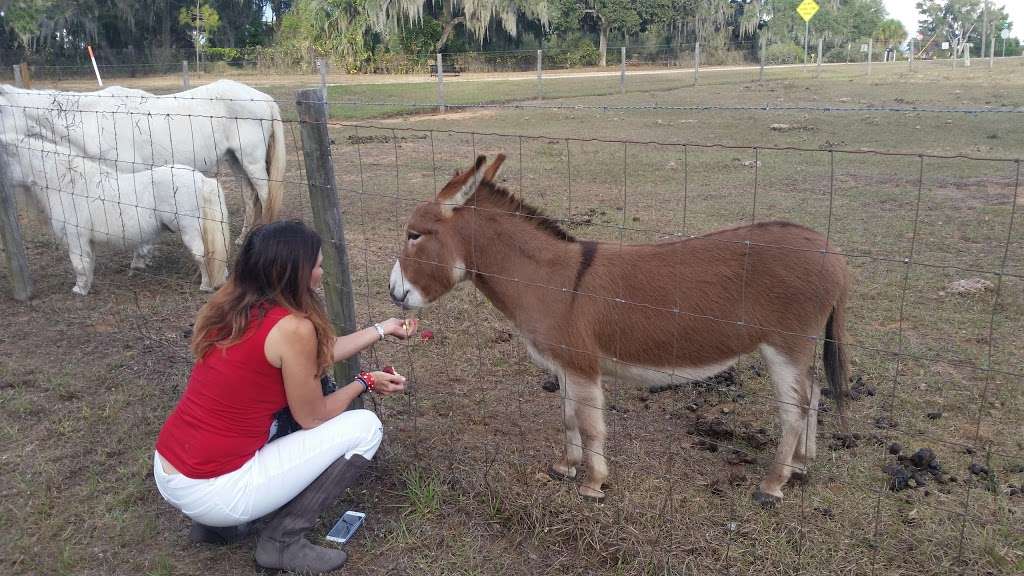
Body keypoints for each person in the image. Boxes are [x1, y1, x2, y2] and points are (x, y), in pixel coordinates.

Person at [153, 220, 417, 574]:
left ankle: (218, 527)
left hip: (171, 469)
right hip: (213, 490)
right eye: (319, 266)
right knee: (365, 427)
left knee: (271, 419)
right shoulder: (293, 327)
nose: (322, 273)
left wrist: (382, 329)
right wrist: (365, 381)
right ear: (295, 273)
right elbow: (315, 417)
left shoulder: (233, 304)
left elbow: (316, 353)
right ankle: (282, 542)